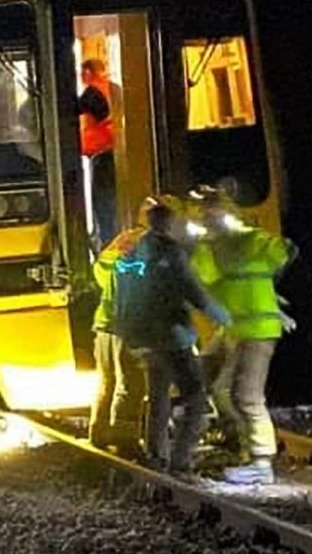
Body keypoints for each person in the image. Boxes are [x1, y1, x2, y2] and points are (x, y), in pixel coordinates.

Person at [113, 200, 230, 474]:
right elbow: (195, 293)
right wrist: (225, 318)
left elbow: (123, 293)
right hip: (172, 337)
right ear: (168, 223)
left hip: (143, 337)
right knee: (196, 399)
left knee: (158, 397)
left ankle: (156, 456)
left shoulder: (133, 252)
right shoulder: (172, 253)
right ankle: (181, 460)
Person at [190, 188, 295, 485]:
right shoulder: (209, 248)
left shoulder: (249, 240)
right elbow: (204, 282)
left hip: (257, 330)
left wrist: (274, 304)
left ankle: (261, 462)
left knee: (246, 396)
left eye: (211, 212)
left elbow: (281, 252)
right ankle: (241, 446)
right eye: (204, 212)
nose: (208, 217)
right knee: (220, 388)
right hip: (236, 329)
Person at [89, 197, 180, 456]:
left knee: (106, 381)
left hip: (106, 322)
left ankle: (99, 432)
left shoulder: (125, 238)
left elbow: (101, 271)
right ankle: (125, 441)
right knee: (132, 385)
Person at [78, 59, 117, 247]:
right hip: (112, 151)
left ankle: (106, 243)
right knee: (110, 202)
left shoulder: (92, 93)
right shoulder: (110, 88)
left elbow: (67, 113)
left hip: (101, 154)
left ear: (88, 72)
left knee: (101, 205)